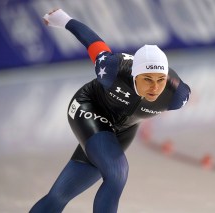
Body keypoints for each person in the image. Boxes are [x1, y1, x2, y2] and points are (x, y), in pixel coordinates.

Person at [30, 8, 191, 213]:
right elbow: (94, 43)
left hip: (123, 128)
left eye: (160, 80)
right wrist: (64, 20)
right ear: (134, 75)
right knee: (117, 172)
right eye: (147, 79)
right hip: (89, 107)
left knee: (61, 194)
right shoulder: (113, 70)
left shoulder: (176, 95)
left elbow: (170, 88)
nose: (155, 88)